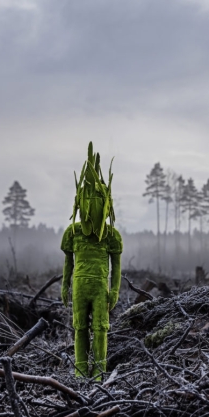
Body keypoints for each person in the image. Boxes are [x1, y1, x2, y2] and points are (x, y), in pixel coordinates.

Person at [61, 142, 121, 380]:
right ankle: (80, 370)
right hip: (79, 287)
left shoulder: (110, 235)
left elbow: (116, 266)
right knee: (80, 329)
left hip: (99, 288)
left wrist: (114, 290)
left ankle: (99, 373)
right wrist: (65, 285)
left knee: (101, 329)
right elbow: (68, 262)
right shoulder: (73, 232)